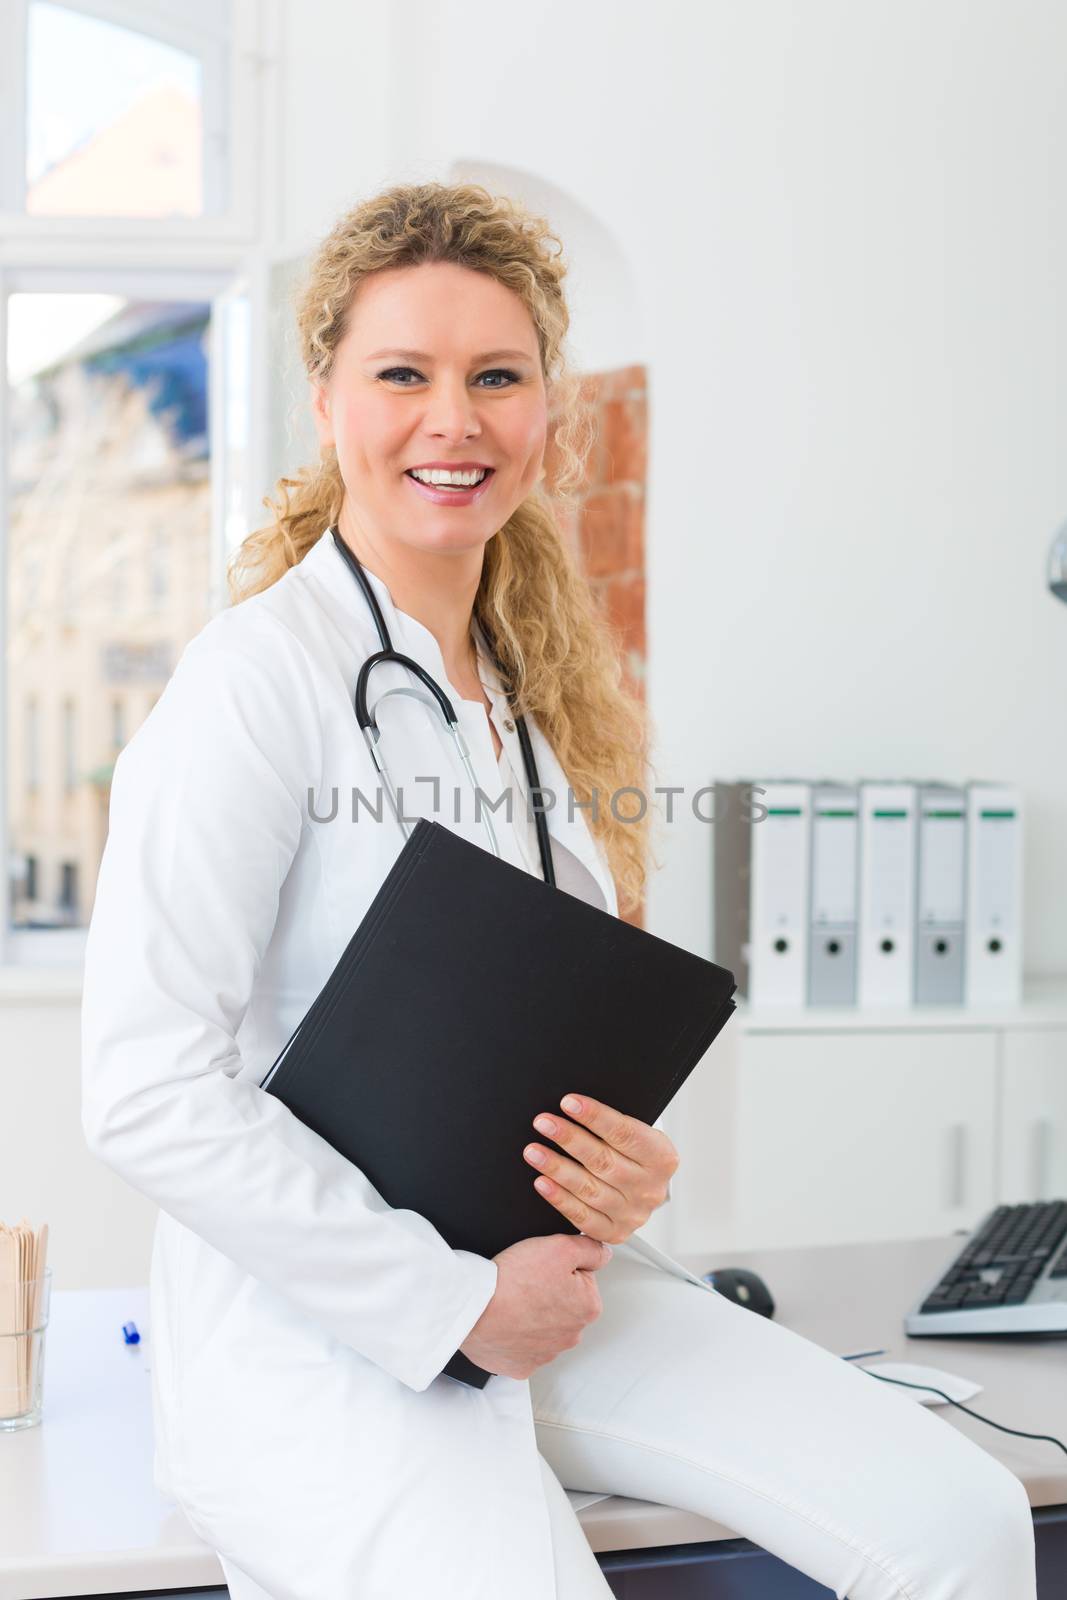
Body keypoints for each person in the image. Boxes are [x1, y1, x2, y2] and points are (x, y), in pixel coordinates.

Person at [80, 181, 1036, 1599]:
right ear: (327, 395)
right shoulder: (253, 686)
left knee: (961, 1520)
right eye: (403, 373)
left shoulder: (513, 715)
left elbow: (532, 1043)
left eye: (496, 377)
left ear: (546, 409)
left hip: (551, 1288)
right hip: (323, 1337)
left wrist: (621, 1162)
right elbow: (144, 1085)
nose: (452, 420)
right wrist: (455, 1304)